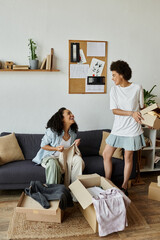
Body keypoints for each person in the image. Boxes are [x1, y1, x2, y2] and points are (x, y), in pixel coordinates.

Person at [103, 60, 146, 195]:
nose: (112, 78)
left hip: (132, 129)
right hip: (118, 128)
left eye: (114, 75)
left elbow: (142, 108)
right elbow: (114, 110)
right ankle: (108, 182)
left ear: (121, 75)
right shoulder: (114, 90)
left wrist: (148, 118)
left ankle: (124, 187)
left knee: (128, 158)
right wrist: (131, 113)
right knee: (106, 154)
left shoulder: (137, 88)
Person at [32, 107, 84, 186]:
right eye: (69, 113)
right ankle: (53, 191)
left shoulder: (73, 133)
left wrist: (75, 145)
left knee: (78, 160)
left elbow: (70, 149)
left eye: (71, 113)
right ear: (62, 118)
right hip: (51, 157)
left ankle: (75, 188)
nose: (72, 115)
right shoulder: (52, 131)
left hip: (66, 158)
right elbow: (43, 145)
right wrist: (56, 148)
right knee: (53, 163)